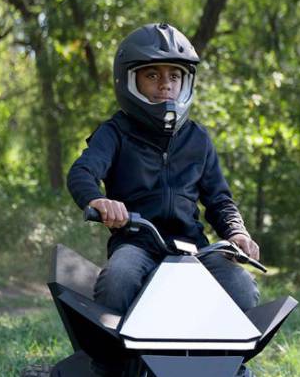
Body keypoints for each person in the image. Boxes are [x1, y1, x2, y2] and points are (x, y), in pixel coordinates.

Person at [67, 22, 260, 316]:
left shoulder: (198, 138)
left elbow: (220, 200)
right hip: (137, 242)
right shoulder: (115, 132)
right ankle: (110, 361)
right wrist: (97, 200)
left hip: (194, 248)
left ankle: (225, 361)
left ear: (186, 81)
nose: (165, 84)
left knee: (242, 288)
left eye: (175, 75)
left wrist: (237, 232)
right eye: (153, 75)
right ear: (129, 80)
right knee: (117, 281)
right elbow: (82, 172)